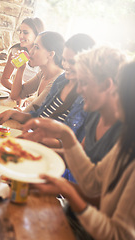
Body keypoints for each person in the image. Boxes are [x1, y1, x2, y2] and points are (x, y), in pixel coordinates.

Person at [22, 59, 135, 240]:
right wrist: (65, 135)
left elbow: (118, 235)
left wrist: (68, 192)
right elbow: (93, 180)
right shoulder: (127, 138)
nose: (79, 90)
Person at [0, 33, 90, 148]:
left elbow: (69, 144)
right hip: (34, 142)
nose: (65, 65)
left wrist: (37, 140)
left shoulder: (86, 98)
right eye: (64, 59)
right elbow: (38, 116)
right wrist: (12, 113)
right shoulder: (61, 80)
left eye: (71, 62)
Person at [76, 46, 126, 164]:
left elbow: (99, 182)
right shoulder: (95, 111)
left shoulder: (125, 135)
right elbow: (80, 158)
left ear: (107, 85)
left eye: (84, 83)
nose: (78, 90)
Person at [10, 31, 65, 112]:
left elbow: (28, 114)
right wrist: (21, 68)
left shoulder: (57, 81)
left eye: (37, 47)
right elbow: (16, 95)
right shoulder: (43, 74)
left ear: (50, 54)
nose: (31, 51)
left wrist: (20, 112)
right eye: (33, 46)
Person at [0, 17, 44, 90]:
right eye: (20, 32)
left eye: (25, 33)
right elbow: (4, 79)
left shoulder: (44, 57)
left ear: (37, 34)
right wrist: (19, 91)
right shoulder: (16, 51)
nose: (20, 36)